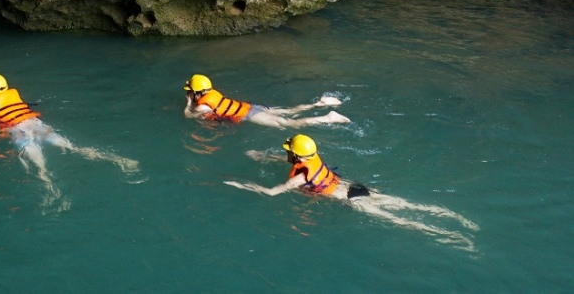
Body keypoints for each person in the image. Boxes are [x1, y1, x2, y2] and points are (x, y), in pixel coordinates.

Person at [224, 134, 480, 250]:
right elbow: (295, 164)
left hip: (351, 200)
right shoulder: (312, 160)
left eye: (288, 150)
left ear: (296, 154)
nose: (287, 152)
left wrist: (242, 184)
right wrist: (262, 157)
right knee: (408, 205)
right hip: (357, 187)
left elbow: (271, 193)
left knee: (402, 221)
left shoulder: (299, 176)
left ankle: (449, 236)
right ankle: (459, 220)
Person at [0, 73, 139, 208]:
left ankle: (54, 192)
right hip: (37, 126)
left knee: (42, 169)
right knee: (75, 148)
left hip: (20, 134)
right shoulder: (15, 97)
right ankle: (119, 160)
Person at [183, 74, 350, 129]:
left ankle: (328, 117)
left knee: (291, 124)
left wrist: (189, 103)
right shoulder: (213, 93)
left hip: (250, 114)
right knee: (289, 111)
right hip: (251, 107)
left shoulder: (203, 104)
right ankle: (319, 104)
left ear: (196, 92)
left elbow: (189, 116)